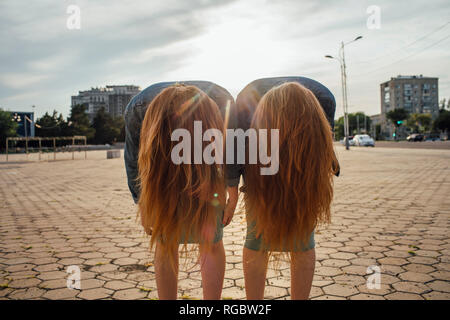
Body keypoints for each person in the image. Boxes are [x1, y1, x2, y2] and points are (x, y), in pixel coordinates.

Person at [226, 78, 339, 300]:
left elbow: (320, 155)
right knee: (257, 235)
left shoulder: (323, 101)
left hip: (305, 124)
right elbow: (236, 153)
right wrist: (236, 191)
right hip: (257, 136)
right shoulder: (245, 107)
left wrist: (309, 200)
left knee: (303, 234)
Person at [124, 81, 237, 300]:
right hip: (150, 107)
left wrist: (227, 191)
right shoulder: (139, 110)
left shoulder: (225, 106)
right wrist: (142, 201)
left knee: (173, 241)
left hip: (206, 106)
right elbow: (135, 158)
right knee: (200, 241)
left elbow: (231, 150)